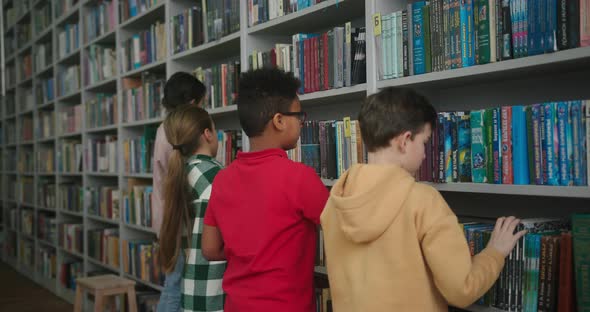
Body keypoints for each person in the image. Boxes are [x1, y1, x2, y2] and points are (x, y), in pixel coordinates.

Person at [320, 87, 527, 311]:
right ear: (405, 140)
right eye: (425, 142)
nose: (425, 154)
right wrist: (494, 253)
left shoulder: (334, 203)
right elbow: (462, 290)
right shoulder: (423, 201)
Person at [201, 68, 329, 312]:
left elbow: (210, 248)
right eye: (298, 115)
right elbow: (343, 227)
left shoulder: (223, 179)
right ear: (279, 121)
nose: (301, 122)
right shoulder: (299, 177)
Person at [159, 105, 226, 312]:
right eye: (214, 130)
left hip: (192, 291)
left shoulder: (182, 172)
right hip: (214, 293)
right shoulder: (216, 177)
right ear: (207, 134)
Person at [154, 72, 206, 312]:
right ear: (192, 103)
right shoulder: (179, 133)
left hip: (166, 219)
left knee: (173, 282)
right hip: (178, 220)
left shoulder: (162, 130)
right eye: (201, 104)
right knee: (174, 286)